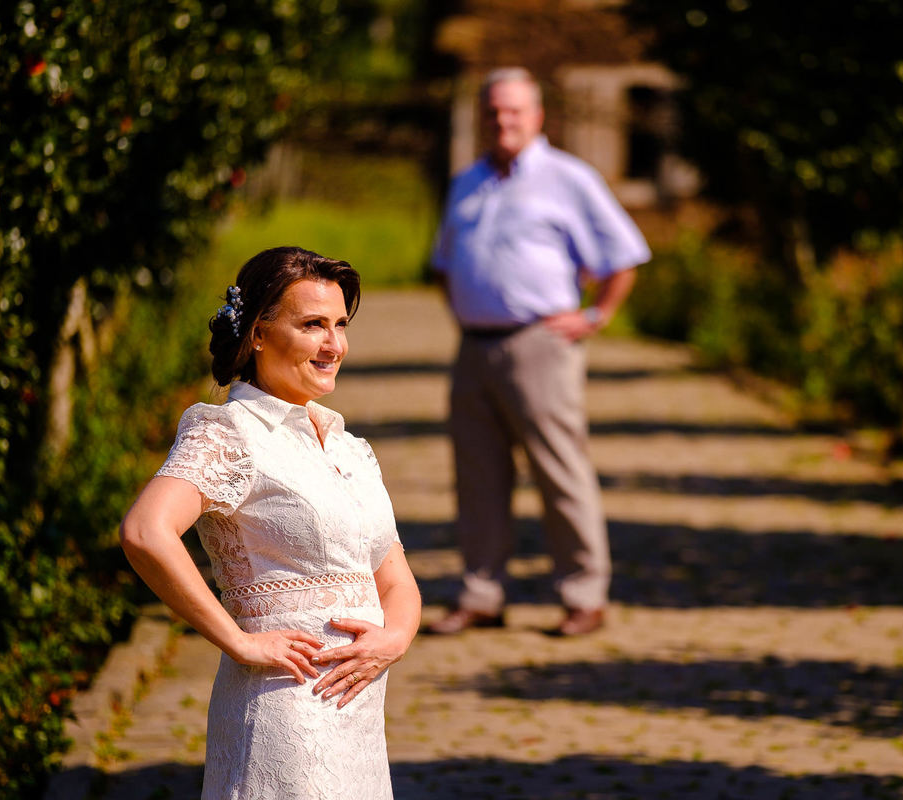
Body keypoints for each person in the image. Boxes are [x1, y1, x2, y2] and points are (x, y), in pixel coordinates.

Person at [120, 246, 420, 799]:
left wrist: (394, 638)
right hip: (283, 713)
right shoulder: (229, 433)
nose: (334, 345)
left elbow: (394, 575)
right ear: (258, 333)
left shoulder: (351, 448)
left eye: (340, 326)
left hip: (360, 719)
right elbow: (145, 532)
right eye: (313, 326)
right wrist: (239, 641)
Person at [428, 67, 651, 637]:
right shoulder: (467, 182)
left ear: (538, 116)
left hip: (540, 345)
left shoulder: (568, 178)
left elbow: (623, 256)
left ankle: (584, 595)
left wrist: (598, 314)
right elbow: (445, 261)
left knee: (560, 470)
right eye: (495, 112)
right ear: (484, 117)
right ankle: (481, 593)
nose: (505, 121)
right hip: (474, 348)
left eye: (515, 111)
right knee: (477, 475)